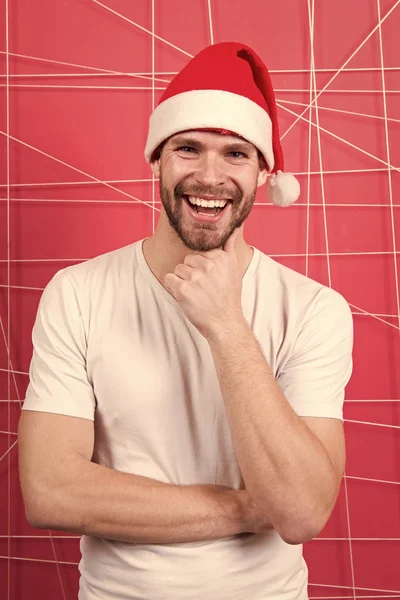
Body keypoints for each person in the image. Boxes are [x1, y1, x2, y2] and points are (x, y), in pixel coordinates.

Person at [18, 42, 354, 600]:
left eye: (236, 154)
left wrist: (226, 325)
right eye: (188, 148)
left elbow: (300, 513)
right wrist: (248, 506)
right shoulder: (77, 294)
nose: (209, 175)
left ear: (264, 170)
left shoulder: (314, 310)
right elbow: (51, 489)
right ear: (156, 158)